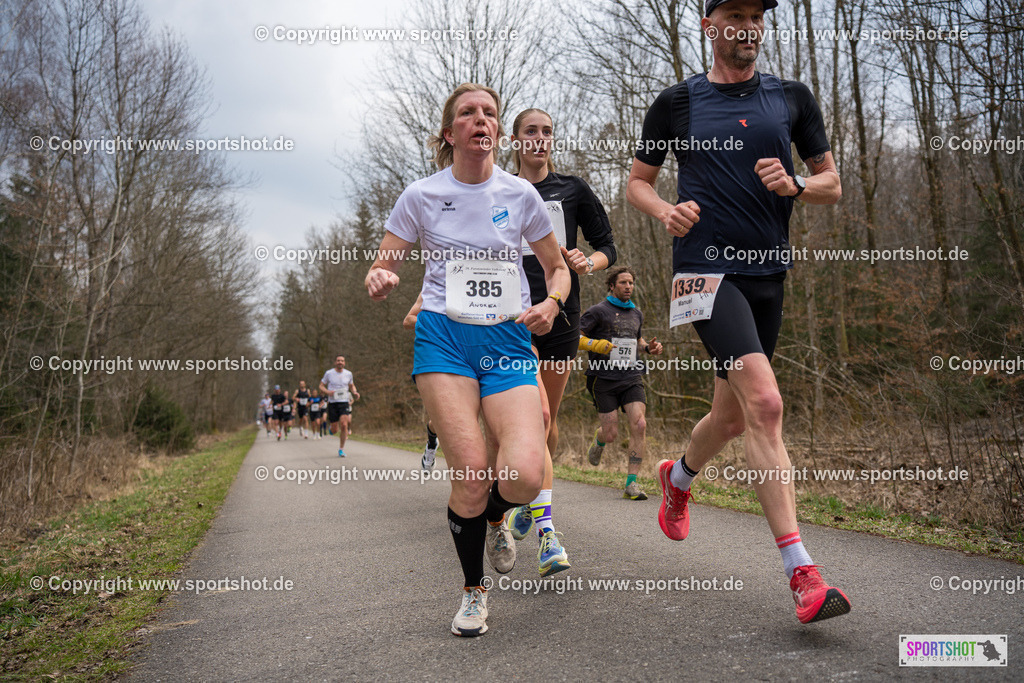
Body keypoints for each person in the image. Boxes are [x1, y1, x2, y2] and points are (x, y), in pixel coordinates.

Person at [625, 0, 849, 623]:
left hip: (768, 274)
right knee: (766, 404)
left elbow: (832, 183)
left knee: (729, 418)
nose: (749, 25)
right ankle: (801, 572)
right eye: (736, 14)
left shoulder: (792, 98)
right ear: (710, 26)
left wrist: (796, 185)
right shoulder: (677, 103)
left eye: (757, 15)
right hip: (703, 271)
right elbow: (637, 182)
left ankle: (678, 478)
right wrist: (664, 210)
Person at [365, 83, 570, 637]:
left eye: (490, 113)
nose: (481, 120)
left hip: (506, 341)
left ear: (498, 131)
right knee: (472, 474)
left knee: (524, 474)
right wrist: (380, 277)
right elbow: (384, 263)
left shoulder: (521, 195)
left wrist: (552, 304)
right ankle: (473, 591)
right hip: (443, 339)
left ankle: (497, 514)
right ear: (449, 132)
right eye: (468, 113)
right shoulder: (421, 195)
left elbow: (557, 269)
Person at [502, 107, 617, 577]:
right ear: (515, 141)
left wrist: (588, 263)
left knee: (547, 421)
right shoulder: (499, 189)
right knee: (536, 417)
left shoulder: (573, 189)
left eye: (547, 131)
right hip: (511, 316)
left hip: (562, 314)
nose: (540, 138)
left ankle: (529, 499)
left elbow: (607, 246)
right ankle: (548, 534)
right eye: (531, 131)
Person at [580, 267, 663, 500]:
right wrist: (596, 345)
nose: (628, 287)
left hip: (631, 376)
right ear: (612, 286)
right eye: (623, 283)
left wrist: (648, 348)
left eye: (631, 283)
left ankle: (631, 483)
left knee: (640, 424)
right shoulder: (598, 311)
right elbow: (575, 337)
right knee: (611, 433)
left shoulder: (637, 313)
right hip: (603, 378)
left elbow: (637, 340)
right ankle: (600, 438)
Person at [404, 293, 439, 470]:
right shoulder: (436, 286)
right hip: (445, 357)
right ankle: (432, 442)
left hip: (488, 356)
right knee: (442, 418)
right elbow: (408, 320)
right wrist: (439, 325)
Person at [319, 355, 360, 457]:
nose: (340, 362)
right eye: (338, 360)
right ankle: (332, 428)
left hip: (344, 402)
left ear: (344, 363)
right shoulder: (329, 373)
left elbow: (351, 385)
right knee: (334, 430)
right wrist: (328, 392)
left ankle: (341, 449)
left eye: (342, 361)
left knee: (344, 424)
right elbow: (321, 386)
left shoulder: (348, 374)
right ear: (335, 362)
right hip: (333, 403)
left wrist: (355, 392)